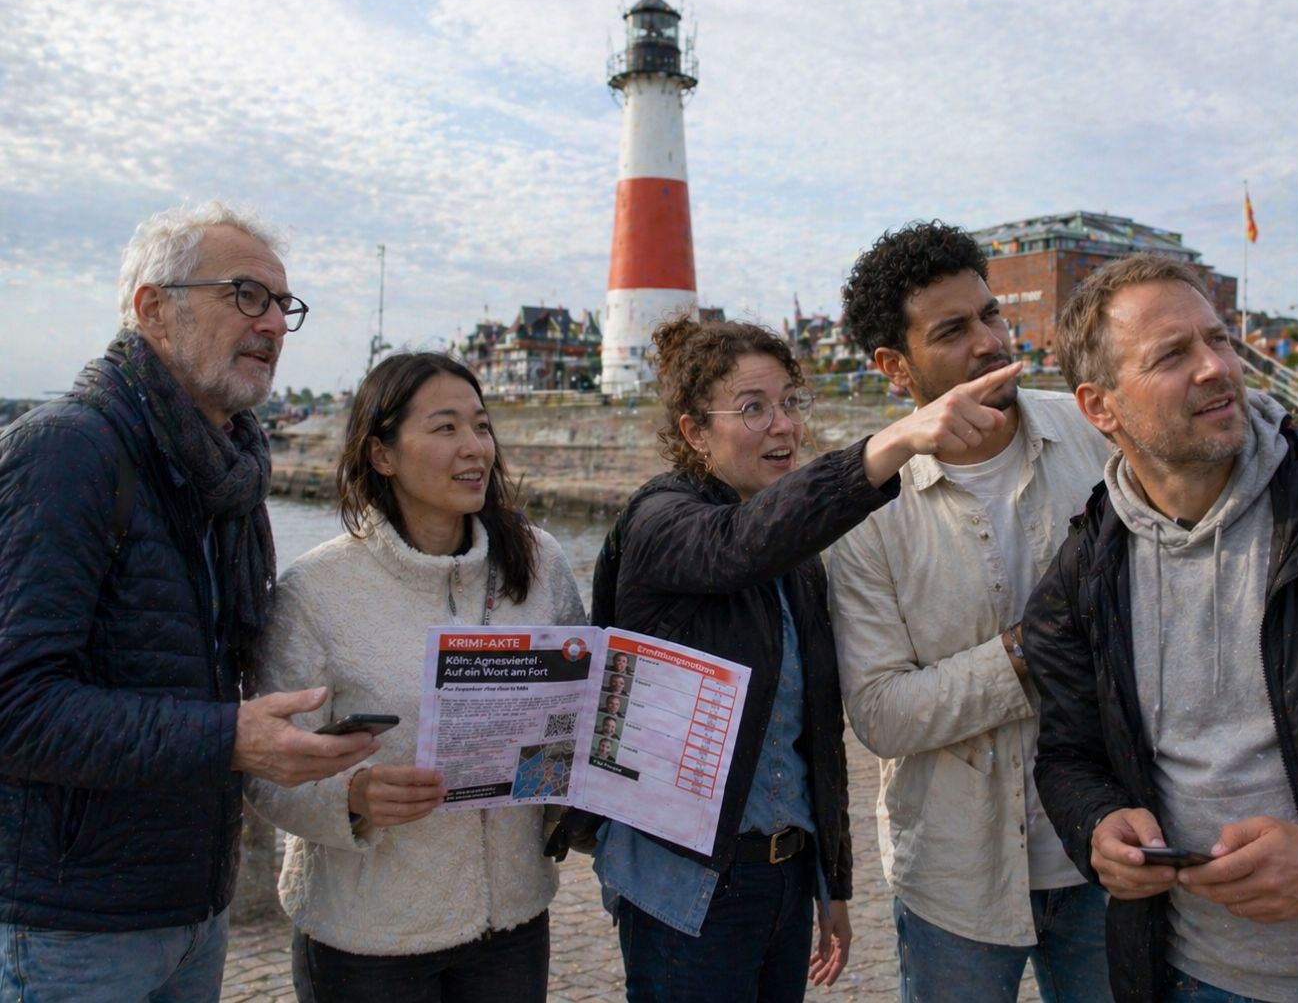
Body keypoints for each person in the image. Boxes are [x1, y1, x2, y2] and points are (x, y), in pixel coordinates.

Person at [1025, 252, 1298, 1001]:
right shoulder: (1082, 572)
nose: (1217, 367)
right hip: (1184, 978)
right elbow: (1067, 756)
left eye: (1218, 339)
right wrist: (1098, 827)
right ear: (1099, 407)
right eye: (1172, 355)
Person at [0, 201, 377, 1001]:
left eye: (283, 304)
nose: (272, 324)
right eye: (246, 295)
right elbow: (15, 707)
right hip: (69, 926)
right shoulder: (68, 451)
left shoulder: (226, 471)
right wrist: (230, 737)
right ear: (153, 310)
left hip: (192, 909)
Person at [590, 314, 1021, 1002]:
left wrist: (830, 883)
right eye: (753, 409)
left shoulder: (799, 563)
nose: (784, 425)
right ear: (694, 433)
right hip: (685, 883)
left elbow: (814, 734)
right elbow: (736, 546)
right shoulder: (658, 521)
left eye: (791, 402)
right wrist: (895, 442)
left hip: (784, 876)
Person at [828, 221, 1113, 1002]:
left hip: (1107, 850)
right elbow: (880, 715)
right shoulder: (866, 514)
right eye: (952, 331)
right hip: (956, 876)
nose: (990, 341)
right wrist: (1029, 651)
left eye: (990, 315)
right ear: (894, 366)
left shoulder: (1095, 434)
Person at [246, 352, 585, 1002]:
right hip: (368, 940)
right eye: (445, 427)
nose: (475, 447)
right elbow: (266, 771)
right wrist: (351, 797)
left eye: (481, 425)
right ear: (381, 454)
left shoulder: (540, 563)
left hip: (513, 925)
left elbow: (578, 713)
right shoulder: (316, 591)